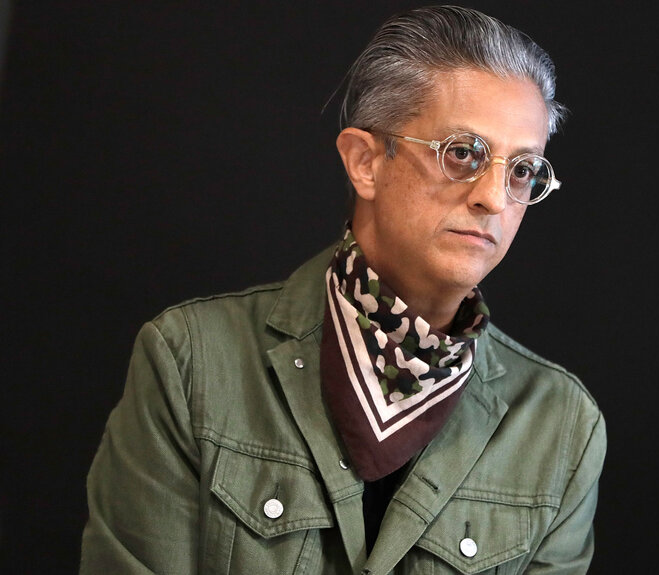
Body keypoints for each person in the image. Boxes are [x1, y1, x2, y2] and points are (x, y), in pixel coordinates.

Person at [80, 6, 606, 574]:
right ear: (365, 163)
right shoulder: (190, 362)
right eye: (463, 154)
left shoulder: (562, 428)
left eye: (522, 169)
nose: (495, 198)